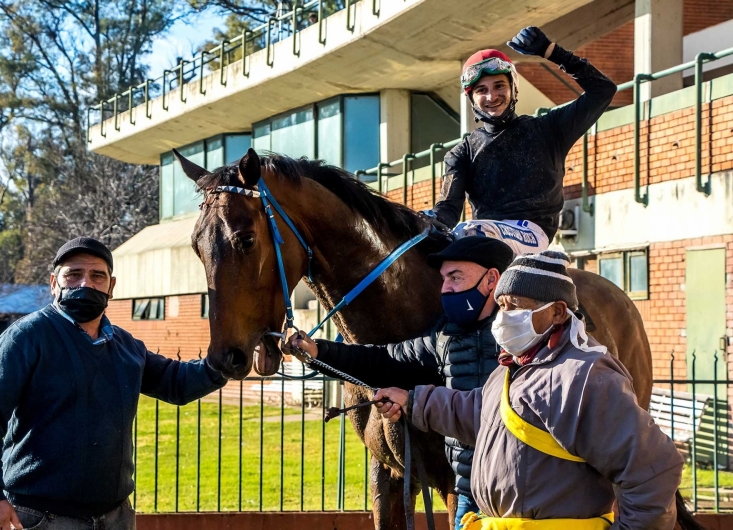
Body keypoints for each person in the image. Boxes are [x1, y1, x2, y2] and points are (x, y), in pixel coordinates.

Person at [373, 250, 683, 529]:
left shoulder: (585, 375)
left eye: (515, 307)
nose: (503, 318)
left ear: (558, 312)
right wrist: (413, 401)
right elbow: (479, 412)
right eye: (502, 306)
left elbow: (652, 471)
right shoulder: (515, 367)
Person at [0, 237, 228, 530]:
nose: (85, 284)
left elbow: (178, 383)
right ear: (54, 283)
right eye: (73, 274)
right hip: (41, 518)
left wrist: (230, 359)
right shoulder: (26, 338)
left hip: (115, 517)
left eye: (97, 276)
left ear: (111, 287)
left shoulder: (126, 346)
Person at [287, 236, 514, 528]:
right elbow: (383, 360)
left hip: (519, 489)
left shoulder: (528, 336)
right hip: (469, 492)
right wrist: (318, 352)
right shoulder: (443, 337)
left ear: (491, 279)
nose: (445, 289)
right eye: (444, 279)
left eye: (455, 278)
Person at [427, 27, 617, 255]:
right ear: (472, 98)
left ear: (513, 89)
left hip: (532, 233)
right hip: (483, 236)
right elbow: (448, 208)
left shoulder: (548, 129)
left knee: (469, 232)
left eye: (499, 86)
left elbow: (603, 90)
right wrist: (425, 221)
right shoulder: (461, 153)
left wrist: (552, 52)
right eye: (481, 90)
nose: (491, 96)